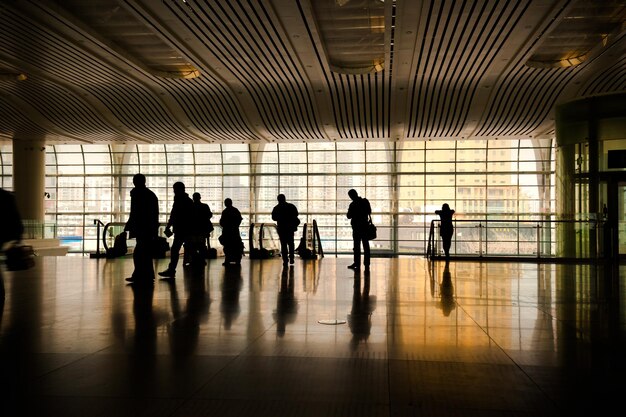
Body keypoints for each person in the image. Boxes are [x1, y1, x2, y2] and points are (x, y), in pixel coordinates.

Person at [124, 174, 159, 286]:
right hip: (148, 228)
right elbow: (153, 214)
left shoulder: (138, 195)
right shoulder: (150, 195)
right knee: (145, 252)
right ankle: (146, 275)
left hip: (142, 228)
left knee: (140, 252)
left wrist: (130, 225)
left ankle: (140, 275)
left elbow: (135, 213)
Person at [158, 182, 193, 279]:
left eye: (174, 189)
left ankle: (172, 269)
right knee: (190, 249)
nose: (173, 191)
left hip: (181, 230)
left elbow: (174, 214)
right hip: (187, 229)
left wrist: (169, 225)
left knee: (175, 250)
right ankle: (195, 268)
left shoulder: (179, 200)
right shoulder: (188, 201)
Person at [346, 189, 371, 271]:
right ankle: (366, 263)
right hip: (364, 226)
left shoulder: (352, 204)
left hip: (356, 228)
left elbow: (348, 216)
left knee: (356, 246)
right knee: (366, 246)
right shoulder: (365, 201)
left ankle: (357, 263)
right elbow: (369, 211)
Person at [271, 194, 300, 265]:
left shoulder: (276, 208)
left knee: (283, 245)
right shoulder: (291, 206)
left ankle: (285, 260)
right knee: (291, 243)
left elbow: (274, 218)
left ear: (278, 199)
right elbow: (296, 214)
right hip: (290, 228)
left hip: (282, 228)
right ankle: (292, 258)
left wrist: (281, 218)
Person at [188, 192, 213, 266]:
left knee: (193, 245)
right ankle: (202, 260)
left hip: (193, 229)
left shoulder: (191, 207)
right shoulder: (205, 206)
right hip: (202, 229)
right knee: (202, 245)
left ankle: (194, 260)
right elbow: (209, 215)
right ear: (200, 198)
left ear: (193, 198)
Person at [219, 198, 244, 266]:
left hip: (227, 231)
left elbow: (221, 222)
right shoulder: (235, 210)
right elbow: (239, 219)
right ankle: (237, 259)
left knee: (227, 246)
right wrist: (235, 226)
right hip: (234, 231)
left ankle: (228, 259)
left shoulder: (225, 211)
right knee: (236, 245)